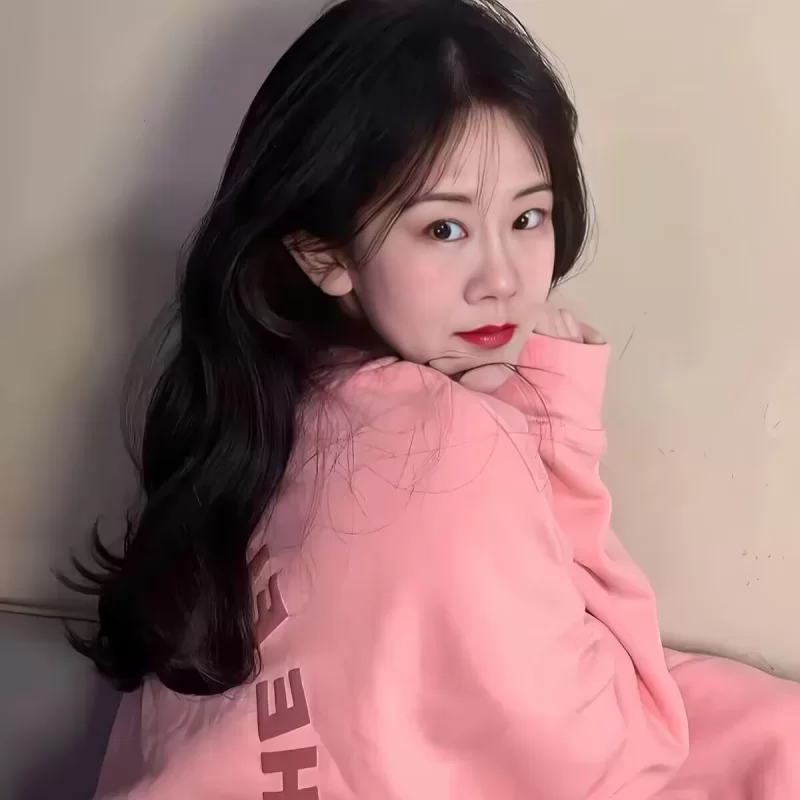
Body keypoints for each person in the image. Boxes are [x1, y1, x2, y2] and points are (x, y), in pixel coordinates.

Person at [68, 0, 800, 797]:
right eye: (444, 230)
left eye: (528, 217)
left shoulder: (265, 413)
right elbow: (623, 747)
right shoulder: (450, 446)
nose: (502, 281)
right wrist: (556, 424)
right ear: (323, 254)